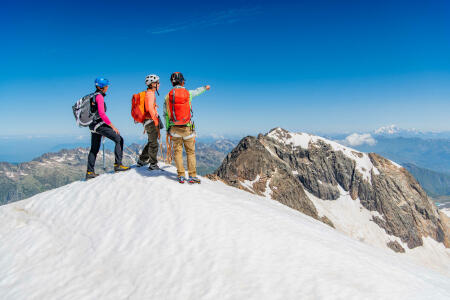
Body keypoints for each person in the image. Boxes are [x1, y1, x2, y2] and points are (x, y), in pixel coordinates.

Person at [164, 72, 210, 183]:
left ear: (172, 82)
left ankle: (181, 175)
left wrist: (168, 129)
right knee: (190, 152)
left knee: (178, 152)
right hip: (187, 128)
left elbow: (166, 114)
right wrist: (205, 87)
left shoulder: (168, 96)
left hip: (174, 128)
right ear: (182, 81)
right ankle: (192, 176)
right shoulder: (188, 93)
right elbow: (197, 91)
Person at [86, 77, 129, 180]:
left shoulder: (92, 96)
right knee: (119, 139)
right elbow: (102, 114)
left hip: (92, 125)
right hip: (99, 124)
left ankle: (89, 172)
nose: (107, 87)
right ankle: (118, 165)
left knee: (94, 148)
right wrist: (112, 127)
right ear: (102, 87)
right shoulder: (99, 97)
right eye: (106, 86)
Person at [136, 74, 162, 170]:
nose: (159, 84)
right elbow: (149, 108)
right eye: (157, 82)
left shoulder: (149, 93)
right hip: (151, 121)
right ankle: (153, 164)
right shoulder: (150, 94)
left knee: (151, 142)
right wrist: (155, 120)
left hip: (147, 121)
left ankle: (142, 160)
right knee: (154, 144)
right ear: (152, 84)